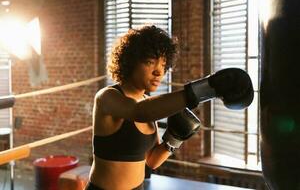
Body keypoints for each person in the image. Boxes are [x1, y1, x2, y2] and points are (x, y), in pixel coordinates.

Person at [85, 25, 254, 190]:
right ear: (129, 61)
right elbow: (137, 111)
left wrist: (174, 139)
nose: (159, 72)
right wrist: (206, 89)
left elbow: (150, 161)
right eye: (151, 62)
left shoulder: (148, 103)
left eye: (163, 65)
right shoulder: (107, 97)